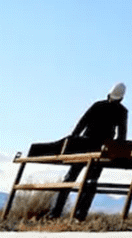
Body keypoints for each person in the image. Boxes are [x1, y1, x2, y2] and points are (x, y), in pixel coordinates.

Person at [48, 83, 127, 219]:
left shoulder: (97, 106)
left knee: (70, 178)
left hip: (83, 146)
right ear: (121, 98)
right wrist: (116, 150)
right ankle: (80, 215)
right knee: (91, 181)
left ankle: (55, 213)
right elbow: (122, 135)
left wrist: (73, 140)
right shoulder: (122, 111)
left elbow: (82, 123)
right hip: (102, 149)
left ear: (109, 94)